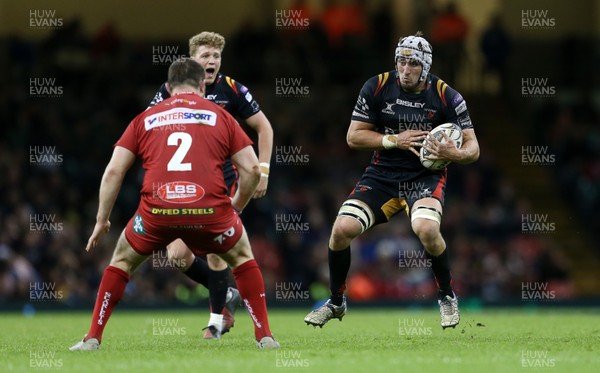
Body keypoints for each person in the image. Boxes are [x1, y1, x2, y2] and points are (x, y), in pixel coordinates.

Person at [70, 58, 279, 350]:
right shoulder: (221, 115)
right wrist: (236, 208)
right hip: (210, 211)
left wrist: (101, 220)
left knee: (121, 262)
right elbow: (253, 170)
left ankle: (92, 338)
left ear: (168, 87)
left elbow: (114, 171)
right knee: (243, 257)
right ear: (202, 85)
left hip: (156, 213)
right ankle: (265, 336)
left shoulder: (145, 117)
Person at [304, 31, 479, 329]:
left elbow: (473, 147)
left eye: (413, 65)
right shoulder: (377, 86)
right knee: (340, 230)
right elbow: (353, 136)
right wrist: (393, 140)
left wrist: (455, 152)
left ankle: (447, 295)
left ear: (426, 67)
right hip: (382, 174)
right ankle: (336, 301)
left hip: (425, 175)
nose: (405, 70)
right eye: (401, 63)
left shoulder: (447, 95)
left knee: (425, 229)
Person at [149, 31, 274, 339]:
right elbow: (148, 125)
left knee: (217, 249)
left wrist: (263, 171)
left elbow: (264, 127)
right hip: (186, 183)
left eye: (216, 56)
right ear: (192, 59)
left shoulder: (231, 89)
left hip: (224, 184)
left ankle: (217, 322)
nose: (212, 61)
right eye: (205, 55)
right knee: (177, 255)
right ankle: (228, 292)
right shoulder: (170, 90)